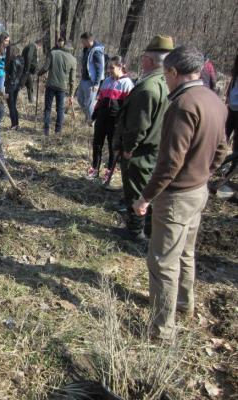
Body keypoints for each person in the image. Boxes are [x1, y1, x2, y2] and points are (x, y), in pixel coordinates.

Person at [132, 46, 228, 341]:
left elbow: (170, 162)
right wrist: (205, 173)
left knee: (162, 262)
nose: (166, 80)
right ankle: (184, 303)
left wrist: (145, 197)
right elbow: (223, 148)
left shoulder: (183, 105)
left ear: (174, 72)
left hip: (176, 196)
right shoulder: (214, 100)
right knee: (185, 253)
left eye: (166, 75)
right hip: (199, 191)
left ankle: (161, 330)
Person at [112, 35, 174, 242]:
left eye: (143, 58)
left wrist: (128, 148)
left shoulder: (148, 88)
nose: (141, 61)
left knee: (136, 190)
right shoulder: (166, 83)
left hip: (141, 151)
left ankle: (135, 232)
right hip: (156, 147)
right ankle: (149, 228)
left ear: (149, 60)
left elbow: (138, 125)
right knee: (148, 189)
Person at [87, 56, 134, 183]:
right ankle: (94, 169)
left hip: (115, 121)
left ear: (120, 67)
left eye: (112, 68)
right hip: (102, 117)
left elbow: (129, 107)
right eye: (108, 67)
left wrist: (125, 124)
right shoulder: (106, 81)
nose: (109, 70)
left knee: (112, 146)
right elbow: (99, 101)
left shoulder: (127, 84)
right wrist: (93, 117)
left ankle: (109, 171)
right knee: (97, 143)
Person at [37, 38, 77, 137]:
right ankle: (57, 132)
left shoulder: (53, 53)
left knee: (47, 108)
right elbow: (72, 80)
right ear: (71, 49)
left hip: (50, 85)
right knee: (60, 109)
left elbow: (45, 68)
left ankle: (46, 131)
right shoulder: (73, 60)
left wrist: (39, 73)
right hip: (62, 87)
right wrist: (71, 95)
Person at [76, 32, 105, 124]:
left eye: (83, 41)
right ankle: (89, 117)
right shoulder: (86, 49)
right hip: (84, 79)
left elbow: (99, 69)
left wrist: (96, 83)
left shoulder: (96, 51)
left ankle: (91, 122)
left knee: (89, 104)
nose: (82, 43)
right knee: (80, 99)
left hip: (91, 81)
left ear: (88, 40)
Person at [5, 45, 25, 130]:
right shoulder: (21, 59)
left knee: (11, 105)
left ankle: (14, 124)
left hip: (11, 85)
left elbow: (12, 75)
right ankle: (16, 123)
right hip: (17, 85)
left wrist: (8, 85)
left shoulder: (13, 61)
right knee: (13, 105)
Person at [21, 39, 41, 103]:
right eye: (39, 47)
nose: (39, 49)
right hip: (26, 70)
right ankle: (14, 97)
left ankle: (31, 100)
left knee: (30, 84)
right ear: (38, 45)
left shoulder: (29, 46)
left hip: (27, 69)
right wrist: (27, 68)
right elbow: (29, 57)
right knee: (21, 84)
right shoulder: (32, 46)